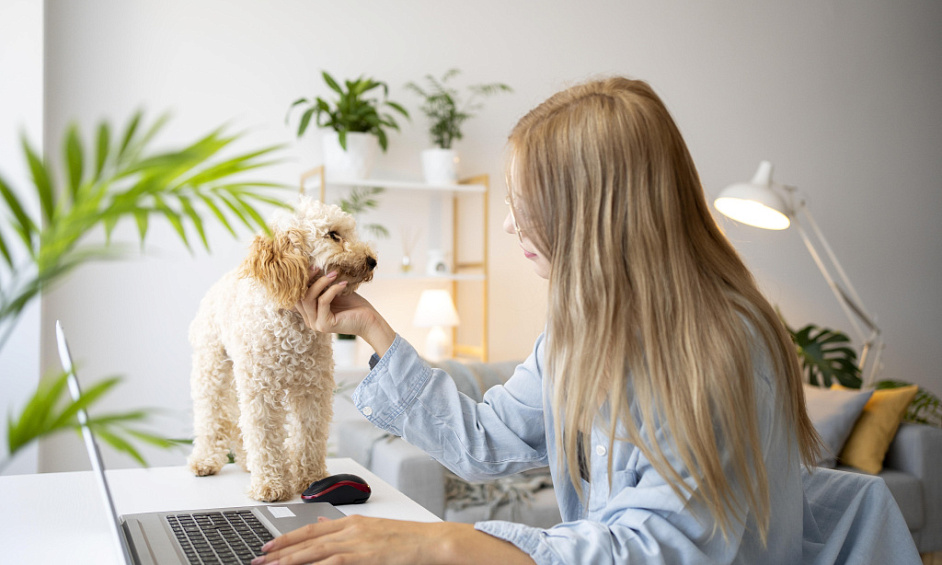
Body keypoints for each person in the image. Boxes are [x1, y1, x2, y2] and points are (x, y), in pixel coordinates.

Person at [253, 76, 822, 565]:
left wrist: (445, 544)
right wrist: (372, 327)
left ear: (591, 211)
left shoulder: (725, 347)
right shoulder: (581, 335)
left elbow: (655, 548)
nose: (507, 226)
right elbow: (482, 441)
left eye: (521, 202)